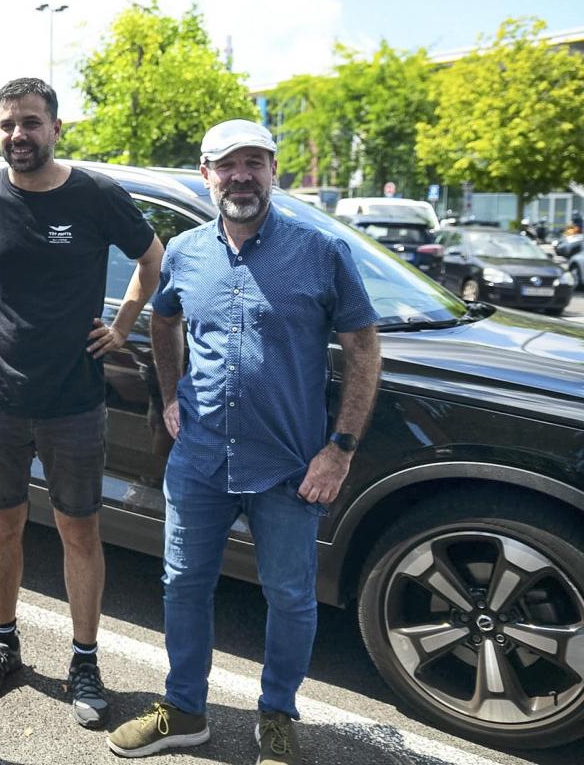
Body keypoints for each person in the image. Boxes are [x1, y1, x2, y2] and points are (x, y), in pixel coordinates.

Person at [107, 120, 381, 764]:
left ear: (273, 170)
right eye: (226, 165)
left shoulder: (321, 251)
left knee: (289, 595)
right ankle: (184, 711)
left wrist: (339, 448)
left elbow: (364, 351)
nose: (241, 177)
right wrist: (171, 397)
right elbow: (164, 319)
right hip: (200, 458)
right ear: (206, 175)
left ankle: (278, 717)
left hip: (290, 465)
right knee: (182, 583)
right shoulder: (184, 252)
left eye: (253, 163)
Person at [0, 77, 164, 729]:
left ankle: (85, 661)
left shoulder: (95, 195)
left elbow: (151, 257)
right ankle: (3, 647)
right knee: (3, 525)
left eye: (29, 123)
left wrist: (123, 321)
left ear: (56, 128)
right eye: (7, 124)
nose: (17, 135)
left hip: (75, 401)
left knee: (80, 530)